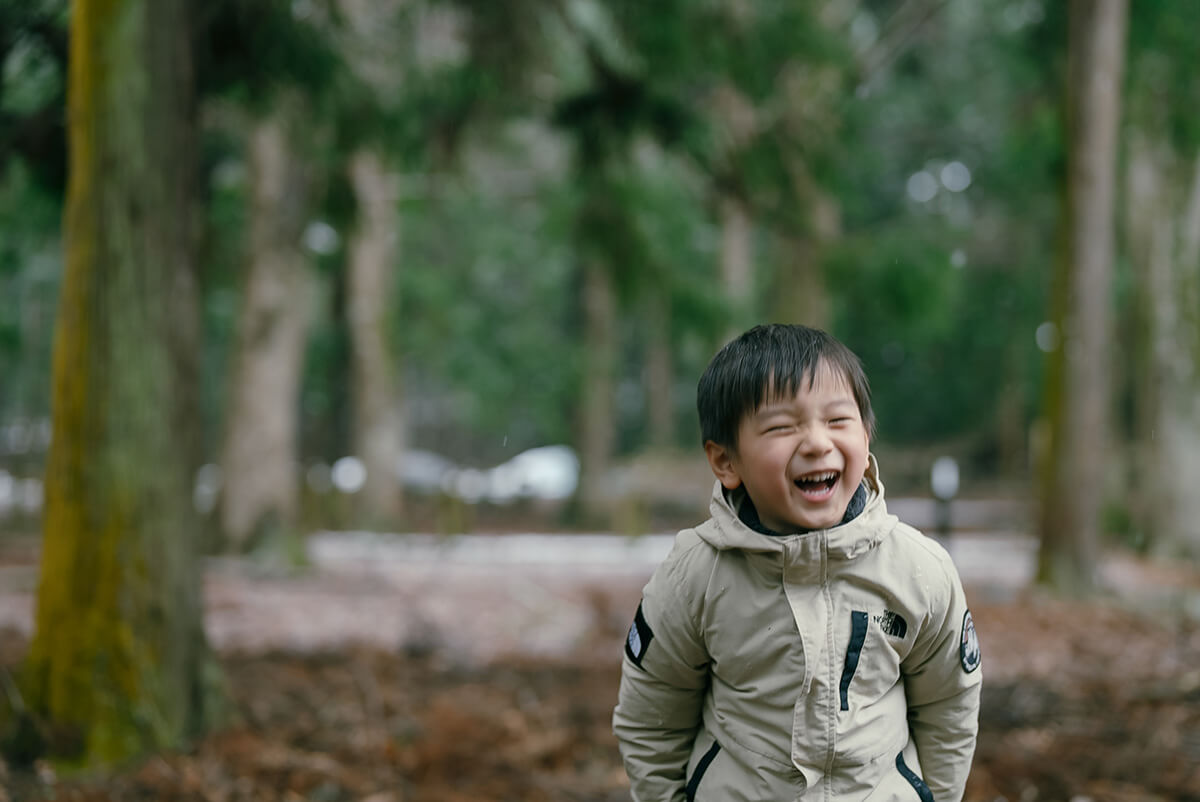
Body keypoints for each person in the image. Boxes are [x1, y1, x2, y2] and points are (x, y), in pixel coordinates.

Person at [613, 323, 982, 802]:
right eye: (782, 427)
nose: (815, 443)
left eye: (837, 420)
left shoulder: (918, 569)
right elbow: (651, 718)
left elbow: (948, 705)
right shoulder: (696, 576)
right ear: (726, 462)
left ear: (867, 436)